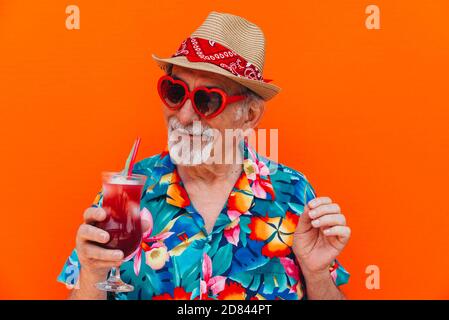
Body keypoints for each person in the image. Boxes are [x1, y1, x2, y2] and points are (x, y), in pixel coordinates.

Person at [58, 11, 351, 300]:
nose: (184, 116)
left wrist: (317, 276)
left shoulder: (293, 194)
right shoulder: (127, 194)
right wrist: (90, 278)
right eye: (174, 92)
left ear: (249, 115)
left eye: (207, 99)